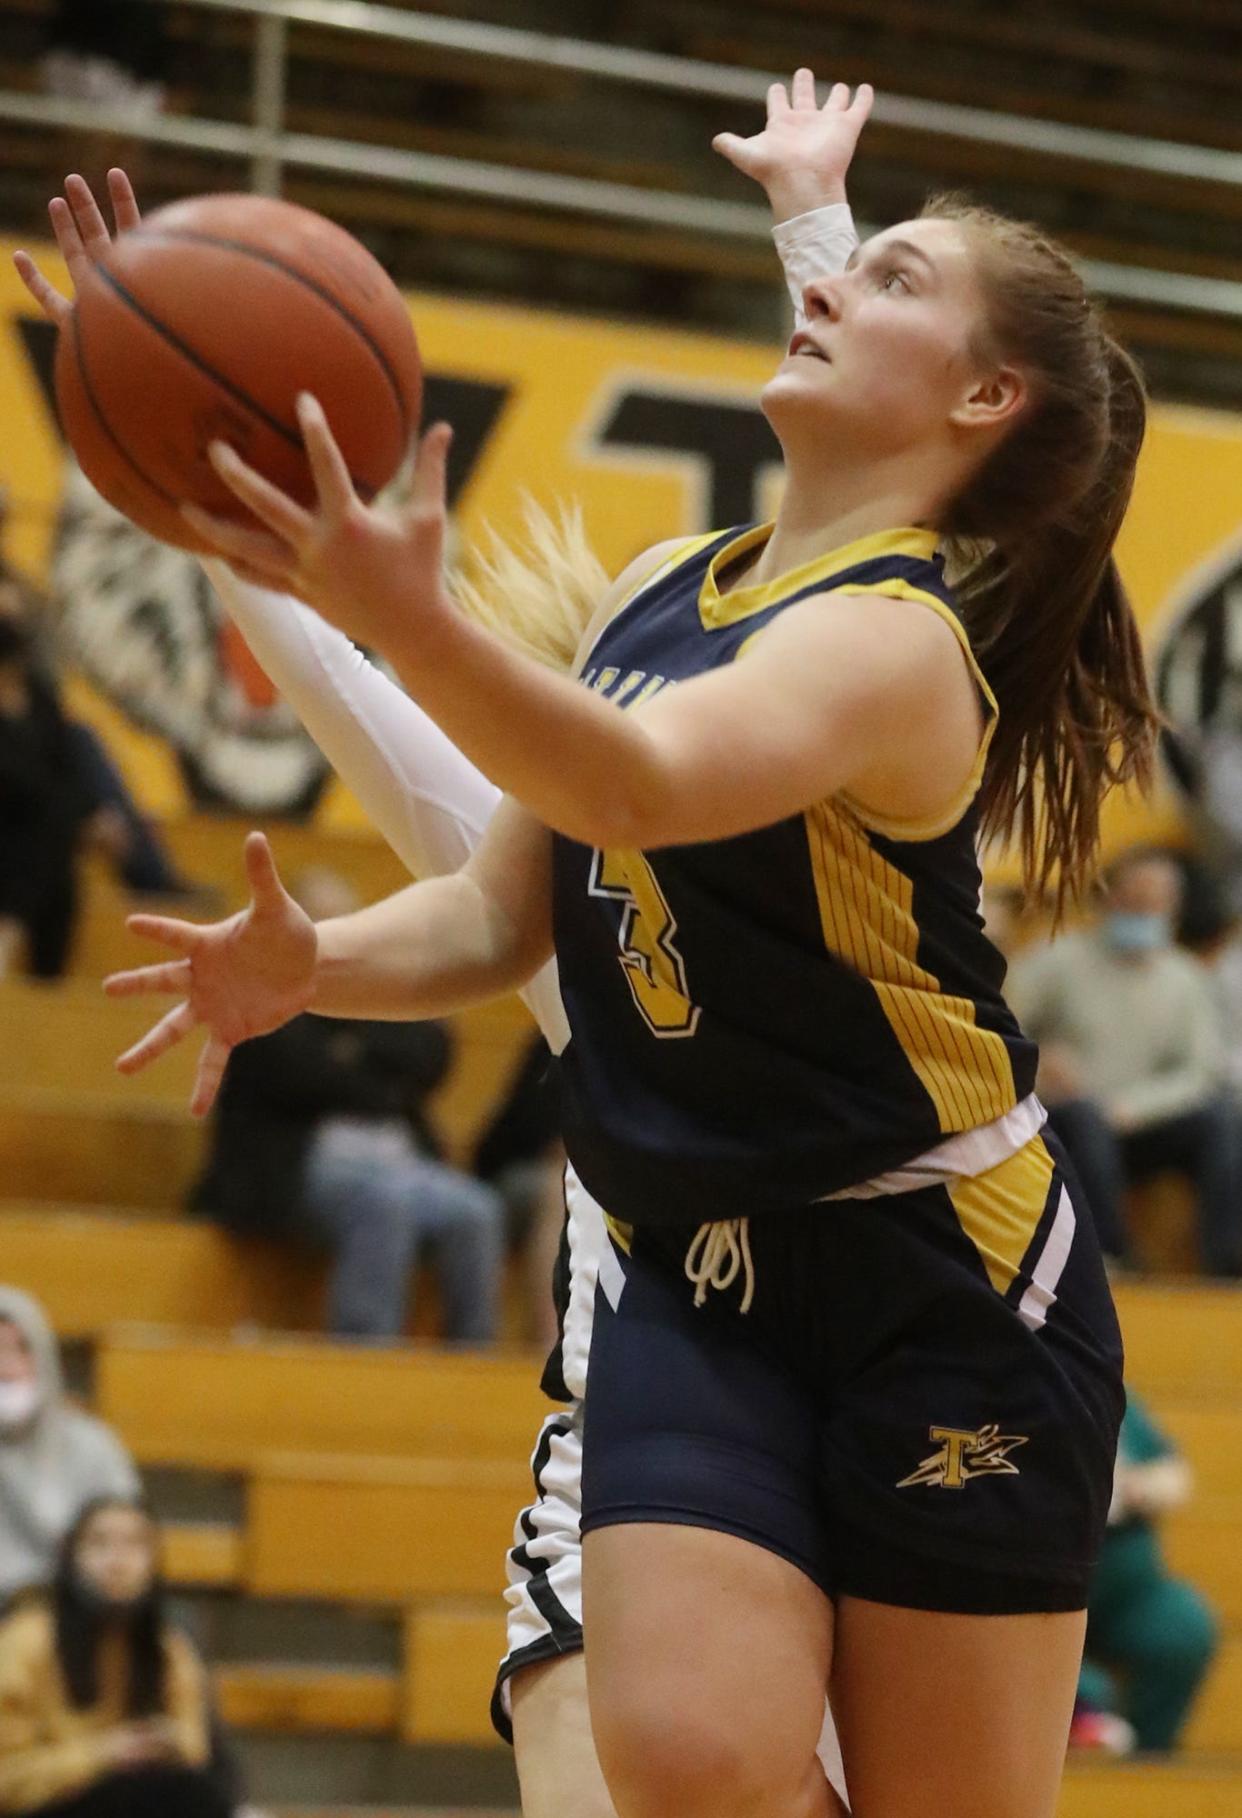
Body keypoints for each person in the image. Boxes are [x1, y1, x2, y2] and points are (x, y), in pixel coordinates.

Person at [21, 70, 1158, 1814]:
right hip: (697, 1275)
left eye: (884, 277)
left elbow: (638, 777)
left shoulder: (896, 642)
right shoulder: (660, 587)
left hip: (941, 1284)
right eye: (840, 264)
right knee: (688, 1761)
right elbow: (501, 903)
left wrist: (388, 603)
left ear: (985, 397)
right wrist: (304, 966)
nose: (828, 285)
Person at [191, 866, 505, 1342]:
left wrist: (351, 1056)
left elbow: (428, 1054)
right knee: (386, 1204)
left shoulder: (377, 987)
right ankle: (364, 1359)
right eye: (319, 928)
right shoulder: (254, 997)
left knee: (477, 1211)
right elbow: (297, 1071)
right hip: (299, 1165)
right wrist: (373, 1068)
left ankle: (471, 1367)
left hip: (399, 1158)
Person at [1008, 846, 1242, 1274]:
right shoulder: (1059, 958)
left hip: (1137, 1122)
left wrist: (1130, 1107)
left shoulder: (1185, 979)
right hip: (1067, 1119)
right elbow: (1001, 1018)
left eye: (1156, 904)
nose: (1143, 912)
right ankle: (1111, 1259)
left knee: (1223, 1120)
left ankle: (1227, 1265)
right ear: (1109, 897)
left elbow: (1200, 1073)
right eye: (1134, 899)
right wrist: (1038, 1059)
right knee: (1083, 1118)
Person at [0, 569, 198, 978]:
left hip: (36, 839)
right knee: (45, 837)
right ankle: (144, 872)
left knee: (69, 779)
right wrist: (84, 821)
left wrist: (86, 816)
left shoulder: (40, 697)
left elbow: (57, 773)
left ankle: (27, 955)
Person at [0, 1495, 234, 1817]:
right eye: (99, 1544)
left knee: (197, 1794)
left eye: (135, 1545)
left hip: (145, 1797)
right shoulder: (24, 1641)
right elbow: (7, 1780)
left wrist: (164, 1745)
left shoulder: (169, 1648)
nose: (117, 1561)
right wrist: (104, 1754)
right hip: (49, 1806)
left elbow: (197, 1753)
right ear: (71, 1559)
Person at [1074, 1393, 1219, 1753]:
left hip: (1128, 1593)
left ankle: (1146, 1762)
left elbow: (1173, 1473)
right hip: (1042, 1595)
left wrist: (1137, 1489)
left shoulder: (1108, 1388)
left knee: (1184, 1628)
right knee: (1089, 1690)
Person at [0, 1290, 138, 1612]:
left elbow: (126, 1548)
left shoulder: (93, 1447)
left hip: (71, 1615)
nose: (6, 1368)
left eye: (21, 1349)